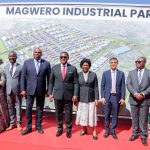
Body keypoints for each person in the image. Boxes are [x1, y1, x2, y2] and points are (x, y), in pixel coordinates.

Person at [20, 48, 51, 135]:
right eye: (35, 52)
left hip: (41, 90)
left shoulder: (46, 63)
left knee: (40, 109)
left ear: (41, 54)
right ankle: (29, 127)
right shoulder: (27, 63)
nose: (37, 54)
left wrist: (49, 90)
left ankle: (38, 126)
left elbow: (49, 78)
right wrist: (23, 89)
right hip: (29, 90)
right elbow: (23, 77)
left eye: (39, 52)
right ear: (33, 53)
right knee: (28, 109)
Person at [49, 51, 78, 138]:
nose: (63, 58)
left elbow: (76, 83)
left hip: (69, 95)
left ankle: (68, 130)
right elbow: (51, 82)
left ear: (68, 58)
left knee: (69, 113)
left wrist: (75, 94)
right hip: (57, 95)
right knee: (58, 113)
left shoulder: (73, 69)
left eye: (65, 57)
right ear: (59, 58)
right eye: (61, 57)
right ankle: (60, 128)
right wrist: (50, 93)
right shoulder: (54, 68)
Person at [127, 56, 150, 146]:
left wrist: (143, 94)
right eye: (136, 61)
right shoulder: (131, 73)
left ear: (144, 62)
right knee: (135, 117)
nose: (137, 63)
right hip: (133, 98)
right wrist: (135, 93)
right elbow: (128, 84)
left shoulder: (149, 73)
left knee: (143, 119)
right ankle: (134, 134)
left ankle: (144, 136)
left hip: (145, 99)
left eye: (139, 61)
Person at [101, 57, 125, 140]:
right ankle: (107, 130)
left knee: (115, 115)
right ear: (109, 63)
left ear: (117, 63)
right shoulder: (105, 73)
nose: (113, 64)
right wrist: (102, 97)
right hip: (108, 97)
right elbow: (102, 86)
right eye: (112, 62)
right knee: (106, 115)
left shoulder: (121, 73)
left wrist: (122, 98)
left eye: (115, 62)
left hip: (116, 98)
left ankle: (113, 130)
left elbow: (123, 87)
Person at [75, 58, 99, 140]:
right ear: (81, 66)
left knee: (92, 116)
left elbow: (96, 87)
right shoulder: (78, 75)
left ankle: (94, 132)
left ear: (89, 66)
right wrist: (75, 97)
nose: (85, 66)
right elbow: (76, 86)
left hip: (91, 98)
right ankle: (84, 129)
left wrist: (96, 99)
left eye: (87, 65)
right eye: (84, 65)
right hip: (81, 99)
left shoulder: (93, 74)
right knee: (83, 115)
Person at [3, 51, 22, 131]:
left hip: (18, 90)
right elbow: (4, 79)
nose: (12, 58)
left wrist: (23, 90)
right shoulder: (5, 67)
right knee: (10, 107)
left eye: (13, 56)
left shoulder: (21, 67)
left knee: (18, 107)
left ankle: (18, 123)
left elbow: (23, 80)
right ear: (8, 57)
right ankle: (12, 123)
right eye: (10, 56)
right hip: (8, 90)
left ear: (16, 57)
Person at [0, 58, 9, 133]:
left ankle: (7, 124)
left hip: (0, 92)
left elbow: (3, 81)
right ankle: (1, 127)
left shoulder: (1, 70)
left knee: (4, 109)